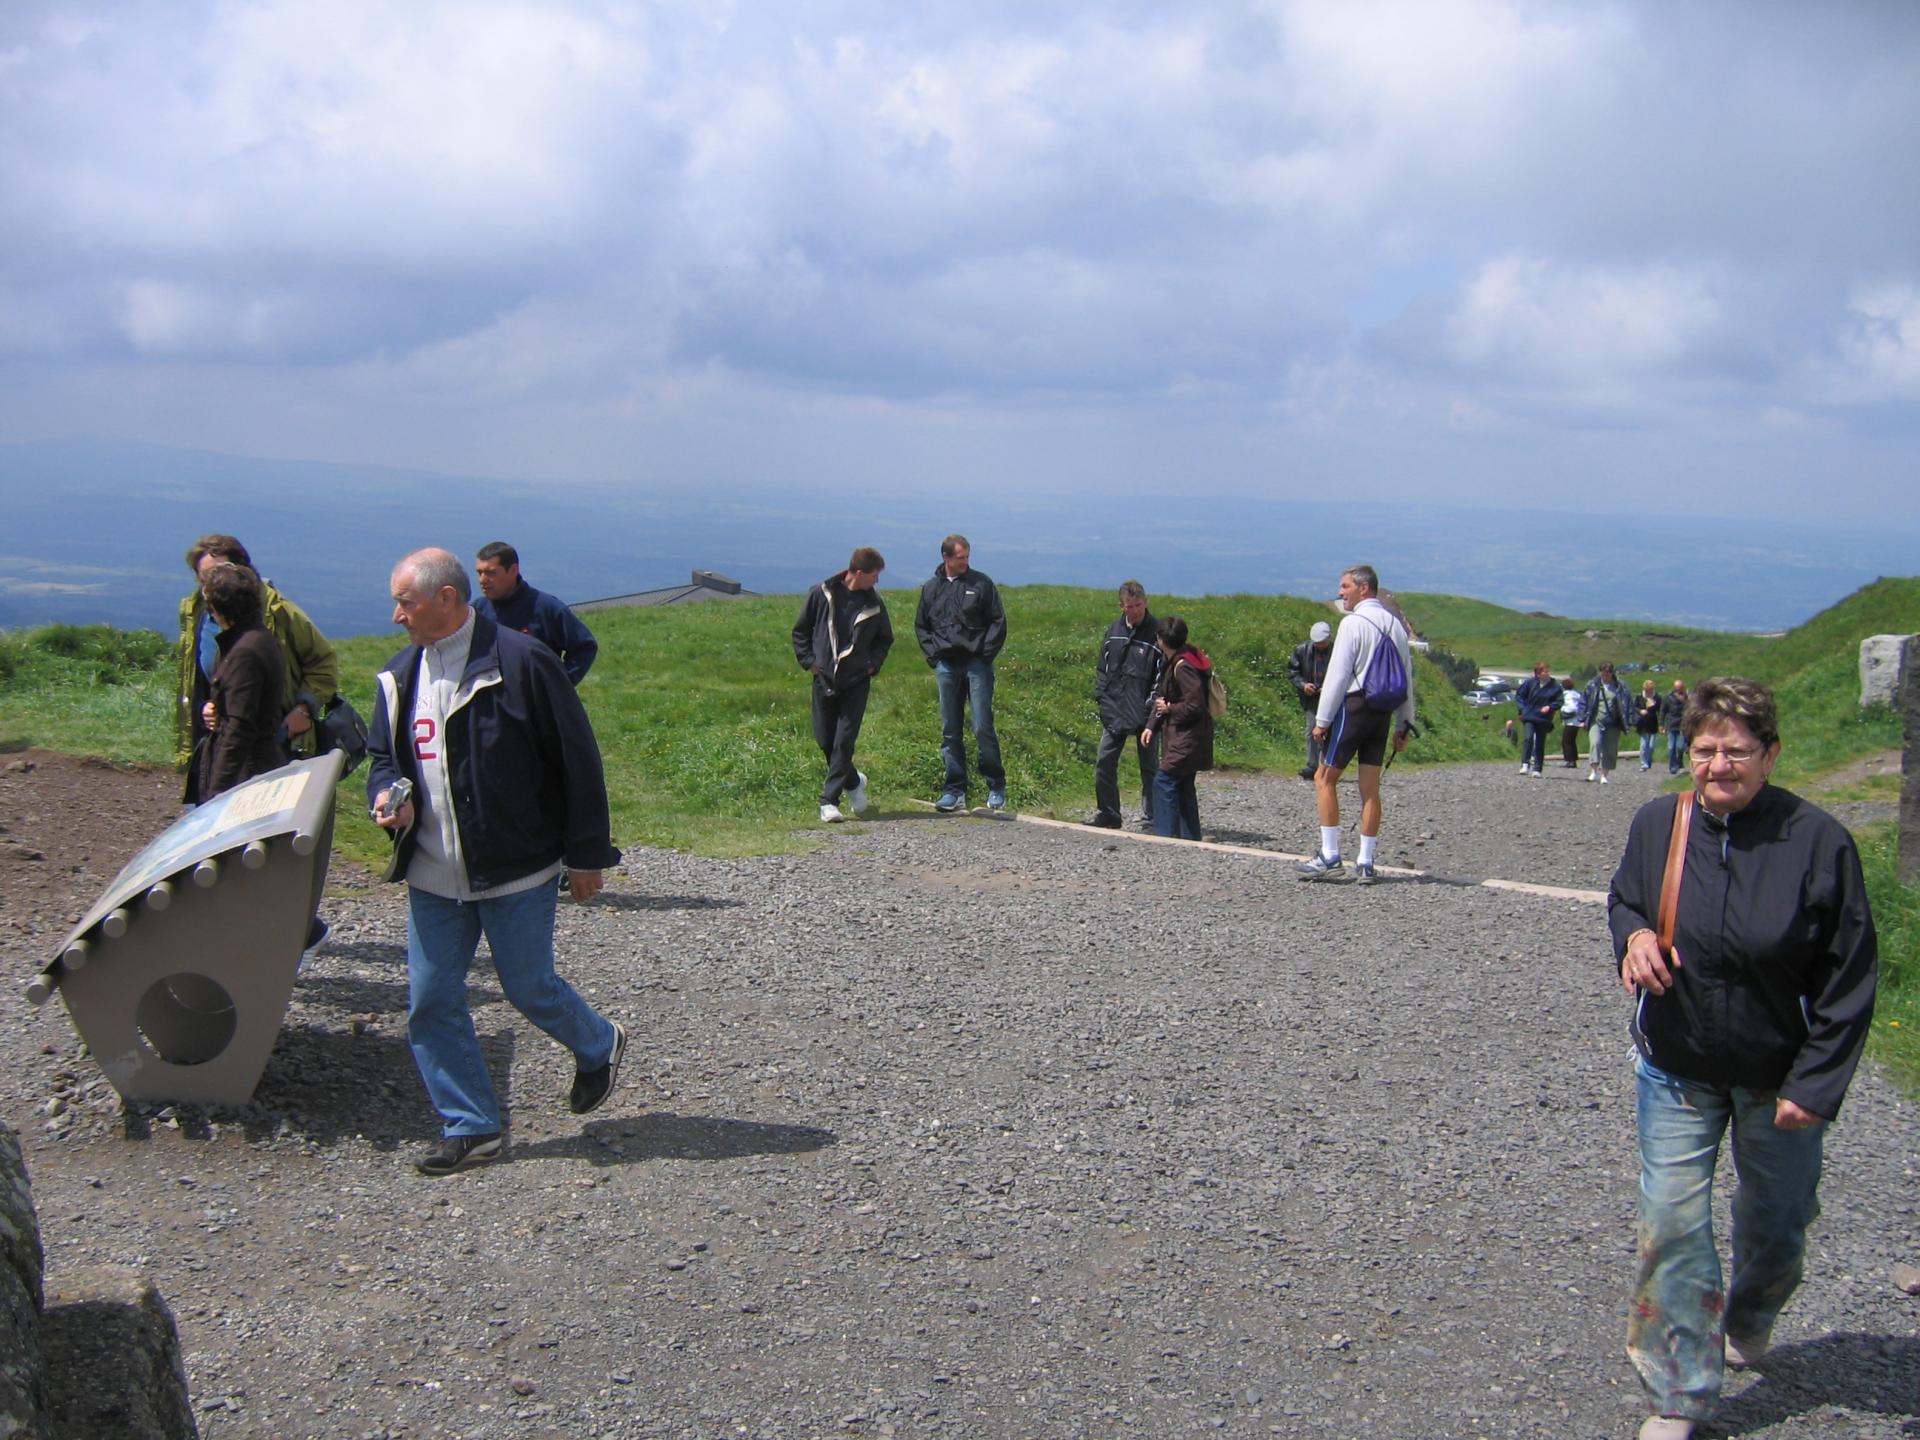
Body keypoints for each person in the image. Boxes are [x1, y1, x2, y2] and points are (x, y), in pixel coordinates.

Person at [1608, 678, 1877, 1440]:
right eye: (1705, 750)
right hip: (1677, 1063)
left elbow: (1850, 975)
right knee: (1671, 1221)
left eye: (1736, 751)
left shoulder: (1818, 842)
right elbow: (1626, 899)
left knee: (1778, 1221)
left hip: (1778, 1076)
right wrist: (1634, 937)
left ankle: (1753, 1310)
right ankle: (1679, 1393)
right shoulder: (1659, 824)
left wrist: (1816, 1084)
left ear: (1771, 754)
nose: (1718, 765)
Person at [367, 548, 627, 1177]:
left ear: (447, 599)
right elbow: (383, 758)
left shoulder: (525, 662)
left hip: (518, 869)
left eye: (406, 602)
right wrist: (388, 793)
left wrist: (586, 855)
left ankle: (598, 1042)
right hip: (434, 874)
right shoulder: (399, 677)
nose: (397, 615)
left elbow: (576, 760)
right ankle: (471, 1126)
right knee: (431, 1000)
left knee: (528, 988)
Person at [175, 534, 338, 784]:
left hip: (276, 737)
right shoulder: (197, 613)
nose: (212, 582)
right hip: (218, 739)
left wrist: (304, 709)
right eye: (204, 576)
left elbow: (323, 662)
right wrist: (205, 708)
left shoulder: (277, 612)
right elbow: (201, 678)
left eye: (218, 572)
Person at [1297, 565, 1415, 886]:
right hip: (1382, 712)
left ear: (1364, 588)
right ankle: (1366, 862)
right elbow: (1406, 678)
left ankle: (1330, 856)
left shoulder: (1352, 623)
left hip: (1354, 707)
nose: (1340, 593)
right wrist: (1405, 724)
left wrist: (1322, 721)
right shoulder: (1395, 624)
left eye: (1345, 586)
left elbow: (1337, 676)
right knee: (1370, 788)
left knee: (1324, 778)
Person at [791, 548, 893, 823]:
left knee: (844, 741)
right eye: (874, 575)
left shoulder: (874, 604)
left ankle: (829, 802)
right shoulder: (821, 594)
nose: (877, 581)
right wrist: (809, 661)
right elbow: (800, 631)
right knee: (825, 739)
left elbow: (885, 639)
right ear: (858, 573)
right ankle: (854, 782)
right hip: (824, 678)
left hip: (856, 681)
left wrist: (872, 664)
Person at [914, 534, 1008, 812]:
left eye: (967, 556)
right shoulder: (931, 589)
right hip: (946, 665)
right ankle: (955, 791)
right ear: (946, 558)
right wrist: (934, 657)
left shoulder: (981, 584)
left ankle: (996, 785)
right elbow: (921, 626)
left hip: (976, 664)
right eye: (960, 557)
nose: (965, 561)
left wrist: (984, 655)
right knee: (950, 730)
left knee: (982, 725)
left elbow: (998, 621)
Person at [193, 563, 287, 800]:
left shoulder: (244, 653)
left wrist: (218, 792)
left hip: (246, 773)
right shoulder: (259, 638)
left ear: (219, 609)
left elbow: (239, 727)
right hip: (257, 765)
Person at [1087, 581, 1164, 829]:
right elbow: (1102, 668)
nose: (1134, 611)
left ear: (1146, 602)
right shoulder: (1114, 631)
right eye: (1129, 606)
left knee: (1149, 767)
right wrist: (1102, 697)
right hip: (1115, 708)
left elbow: (1161, 676)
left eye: (1138, 605)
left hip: (1145, 713)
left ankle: (1153, 818)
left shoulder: (1157, 634)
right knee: (1104, 761)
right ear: (1121, 605)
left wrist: (1150, 709)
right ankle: (1109, 813)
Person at [473, 541, 598, 686]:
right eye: (479, 573)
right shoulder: (477, 611)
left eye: (491, 573)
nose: (482, 580)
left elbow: (585, 646)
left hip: (534, 697)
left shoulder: (547, 609)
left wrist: (559, 686)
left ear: (513, 570)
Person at [1139, 615, 1212, 840]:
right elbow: (1163, 696)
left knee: (1164, 781)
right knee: (1183, 785)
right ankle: (1190, 838)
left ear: (1161, 640)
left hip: (1187, 738)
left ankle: (1166, 835)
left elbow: (1195, 705)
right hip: (1190, 737)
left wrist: (1170, 709)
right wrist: (1151, 726)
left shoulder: (1183, 667)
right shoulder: (1182, 658)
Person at [1285, 621, 1334, 780]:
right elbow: (1292, 671)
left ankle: (1328, 766)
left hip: (1333, 698)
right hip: (1311, 698)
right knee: (1312, 728)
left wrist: (1329, 688)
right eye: (1316, 642)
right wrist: (1303, 685)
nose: (1319, 645)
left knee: (1331, 731)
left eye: (1322, 642)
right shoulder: (1301, 650)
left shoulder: (1338, 651)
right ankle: (1312, 766)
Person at [1583, 662, 1633, 784]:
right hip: (1596, 720)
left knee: (1610, 749)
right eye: (1603, 672)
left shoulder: (1620, 687)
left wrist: (1629, 720)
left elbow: (1627, 704)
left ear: (1612, 673)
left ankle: (1604, 775)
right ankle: (1594, 771)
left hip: (1613, 722)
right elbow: (1584, 702)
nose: (1606, 675)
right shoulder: (1592, 685)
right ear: (1600, 672)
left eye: (1608, 672)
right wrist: (1582, 719)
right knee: (1595, 743)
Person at [1514, 663, 1563, 778]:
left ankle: (1537, 768)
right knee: (1528, 738)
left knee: (1540, 742)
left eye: (1548, 671)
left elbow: (1559, 701)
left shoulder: (1555, 686)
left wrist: (1550, 707)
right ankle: (1525, 763)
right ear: (1538, 674)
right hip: (1529, 716)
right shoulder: (1530, 683)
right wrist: (1523, 709)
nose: (1547, 673)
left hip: (1543, 718)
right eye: (1544, 671)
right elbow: (1519, 696)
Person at [1659, 678, 1688, 775]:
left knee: (1680, 747)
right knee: (1671, 747)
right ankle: (1672, 766)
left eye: (1680, 688)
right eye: (1677, 688)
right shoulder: (1668, 698)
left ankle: (1680, 761)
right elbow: (1662, 711)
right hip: (1671, 725)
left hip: (1682, 726)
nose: (1679, 690)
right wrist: (1661, 725)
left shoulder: (1687, 697)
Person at [1634, 678, 1662, 771]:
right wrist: (1640, 711)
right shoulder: (1639, 696)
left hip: (1653, 722)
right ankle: (1643, 764)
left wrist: (1662, 724)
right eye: (1646, 690)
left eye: (1650, 690)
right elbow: (1634, 707)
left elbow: (1660, 710)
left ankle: (1649, 761)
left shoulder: (1657, 697)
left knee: (1651, 746)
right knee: (1644, 744)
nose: (1648, 691)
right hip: (1642, 723)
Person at [1560, 676, 1586, 768]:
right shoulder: (1577, 693)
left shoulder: (1567, 695)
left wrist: (1563, 709)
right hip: (1578, 721)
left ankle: (1570, 760)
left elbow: (1572, 707)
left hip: (1571, 722)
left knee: (1566, 741)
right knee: (1572, 741)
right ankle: (1573, 759)